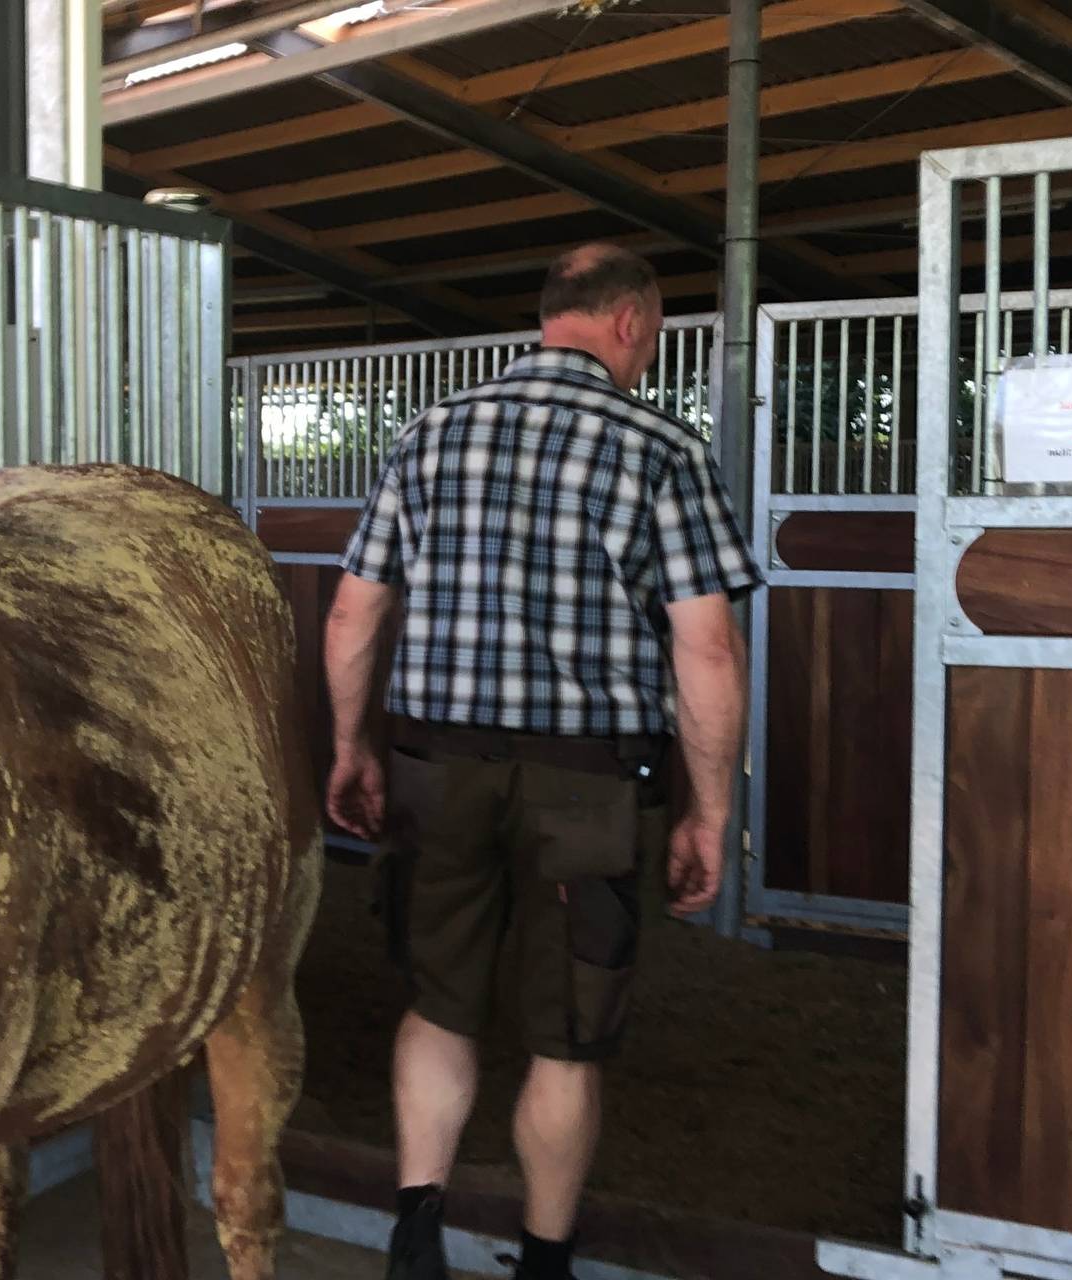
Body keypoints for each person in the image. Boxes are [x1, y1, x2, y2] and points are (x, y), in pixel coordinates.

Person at [323, 244, 758, 1280]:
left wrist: (348, 744)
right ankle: (545, 1260)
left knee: (438, 1003)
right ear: (626, 322)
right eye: (647, 335)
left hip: (437, 765)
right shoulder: (661, 450)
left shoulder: (428, 434)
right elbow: (705, 648)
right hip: (587, 783)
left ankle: (415, 1237)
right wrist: (709, 808)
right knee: (565, 1034)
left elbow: (353, 610)